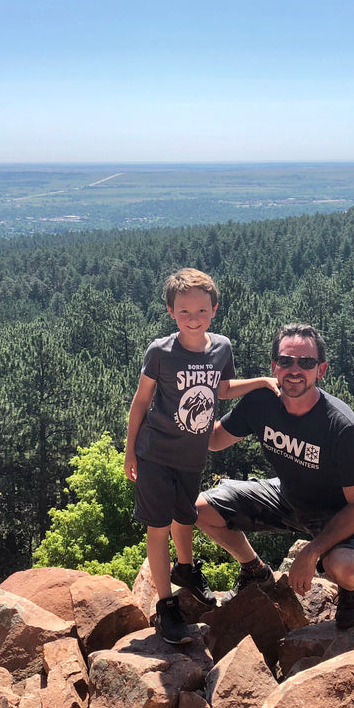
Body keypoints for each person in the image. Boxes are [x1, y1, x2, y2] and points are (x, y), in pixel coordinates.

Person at [196, 323, 354, 629]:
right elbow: (215, 440)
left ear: (321, 370)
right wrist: (190, 397)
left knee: (349, 570)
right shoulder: (261, 403)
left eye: (306, 362)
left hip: (335, 513)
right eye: (286, 361)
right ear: (274, 367)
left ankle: (352, 590)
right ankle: (254, 570)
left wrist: (312, 552)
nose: (294, 370)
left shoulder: (339, 425)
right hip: (286, 496)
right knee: (200, 510)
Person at [125, 268, 279, 645]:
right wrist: (130, 451)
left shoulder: (221, 347)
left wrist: (260, 381)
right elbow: (141, 401)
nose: (193, 319)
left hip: (191, 456)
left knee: (185, 515)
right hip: (156, 454)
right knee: (158, 528)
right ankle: (166, 607)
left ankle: (186, 569)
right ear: (170, 312)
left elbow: (222, 388)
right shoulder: (161, 352)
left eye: (201, 311)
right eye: (184, 312)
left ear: (214, 308)